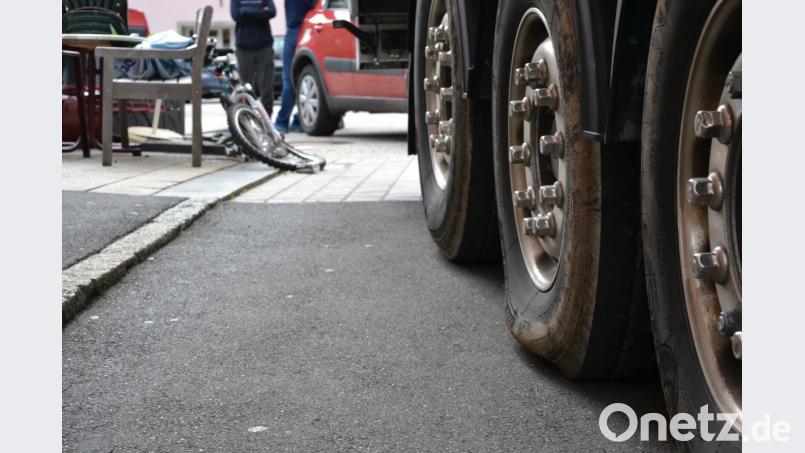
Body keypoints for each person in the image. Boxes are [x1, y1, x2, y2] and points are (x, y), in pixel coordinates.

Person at [275, 0, 317, 133]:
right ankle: (298, 120)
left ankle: (283, 122)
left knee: (290, 81)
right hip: (307, 31)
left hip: (293, 32)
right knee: (307, 79)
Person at [230, 0, 277, 116]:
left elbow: (272, 12)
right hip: (244, 48)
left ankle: (268, 122)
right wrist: (260, 13)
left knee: (266, 88)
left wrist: (245, 11)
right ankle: (246, 121)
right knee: (244, 88)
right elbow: (236, 15)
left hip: (264, 46)